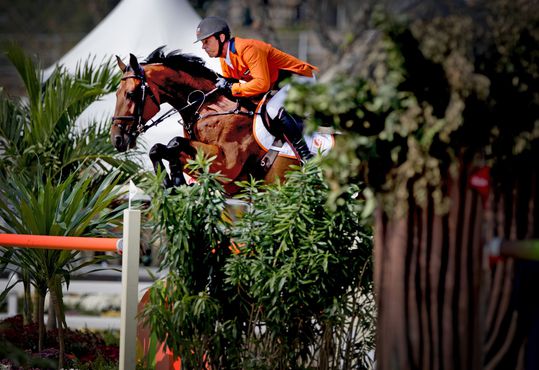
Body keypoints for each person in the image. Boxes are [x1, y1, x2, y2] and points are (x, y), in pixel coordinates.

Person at [195, 16, 318, 162]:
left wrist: (232, 87)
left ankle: (307, 158)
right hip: (278, 86)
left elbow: (261, 84)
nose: (203, 47)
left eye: (206, 41)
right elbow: (233, 88)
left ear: (221, 37)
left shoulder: (248, 48)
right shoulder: (225, 59)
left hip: (299, 79)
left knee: (272, 108)